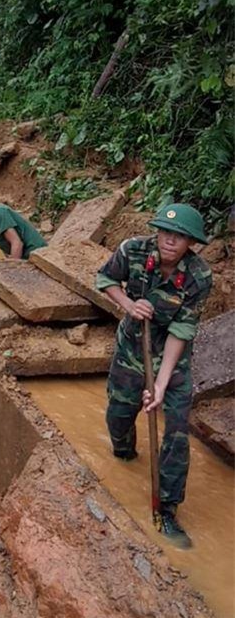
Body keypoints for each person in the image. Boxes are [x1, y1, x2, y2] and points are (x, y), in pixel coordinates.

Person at [95, 203, 212, 549]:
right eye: (165, 232)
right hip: (132, 346)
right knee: (119, 415)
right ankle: (125, 454)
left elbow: (182, 330)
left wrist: (160, 385)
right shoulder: (132, 250)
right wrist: (129, 304)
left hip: (174, 360)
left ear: (191, 242)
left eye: (179, 236)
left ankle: (167, 508)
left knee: (176, 433)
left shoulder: (198, 277)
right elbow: (105, 279)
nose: (169, 241)